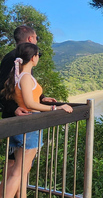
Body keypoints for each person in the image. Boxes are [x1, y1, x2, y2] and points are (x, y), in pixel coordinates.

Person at [0, 43, 72, 198]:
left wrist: (43, 99)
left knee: (21, 171)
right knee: (18, 173)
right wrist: (56, 108)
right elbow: (30, 104)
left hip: (21, 126)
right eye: (38, 55)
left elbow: (27, 98)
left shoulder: (18, 76)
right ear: (33, 57)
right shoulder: (25, 77)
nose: (38, 58)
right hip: (30, 126)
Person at [0, 25, 56, 119]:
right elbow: (3, 87)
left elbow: (23, 88)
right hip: (19, 117)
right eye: (36, 38)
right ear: (30, 38)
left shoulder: (19, 61)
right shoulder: (12, 59)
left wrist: (41, 97)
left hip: (24, 117)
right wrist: (14, 108)